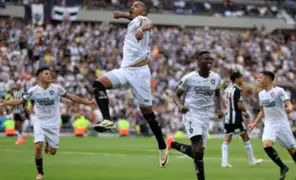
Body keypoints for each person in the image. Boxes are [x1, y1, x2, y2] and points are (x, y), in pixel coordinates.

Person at [91, 1, 168, 167]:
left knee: (148, 113)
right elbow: (133, 18)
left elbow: (148, 23)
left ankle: (162, 145)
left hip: (140, 74)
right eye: (131, 6)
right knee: (98, 84)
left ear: (143, 10)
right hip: (125, 71)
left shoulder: (142, 20)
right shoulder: (134, 20)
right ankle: (107, 120)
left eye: (136, 5)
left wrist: (142, 28)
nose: (132, 7)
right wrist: (122, 15)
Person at [0, 67, 96, 180]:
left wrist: (88, 102)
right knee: (38, 146)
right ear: (40, 76)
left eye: (50, 74)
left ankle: (48, 145)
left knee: (53, 152)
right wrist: (5, 102)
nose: (49, 75)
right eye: (46, 74)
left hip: (54, 123)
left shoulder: (57, 89)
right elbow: (20, 101)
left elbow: (72, 97)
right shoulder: (33, 90)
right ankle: (40, 172)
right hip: (39, 121)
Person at [167, 51, 223, 180]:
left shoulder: (216, 78)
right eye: (206, 59)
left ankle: (173, 144)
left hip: (205, 115)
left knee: (198, 151)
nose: (209, 61)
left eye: (211, 59)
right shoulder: (189, 78)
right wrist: (181, 106)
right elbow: (176, 94)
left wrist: (219, 109)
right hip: (191, 113)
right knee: (198, 148)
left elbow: (217, 94)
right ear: (198, 61)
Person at [249, 71, 296, 180]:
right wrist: (255, 123)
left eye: (260, 77)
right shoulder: (261, 94)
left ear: (268, 79)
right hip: (269, 124)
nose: (258, 79)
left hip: (282, 124)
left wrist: (290, 108)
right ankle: (283, 167)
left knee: (292, 150)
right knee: (267, 145)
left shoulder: (279, 91)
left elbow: (289, 104)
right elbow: (262, 111)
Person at [221, 72, 263, 167]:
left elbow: (227, 103)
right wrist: (246, 112)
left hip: (228, 118)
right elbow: (239, 105)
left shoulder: (227, 89)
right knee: (246, 138)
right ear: (236, 79)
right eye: (241, 78)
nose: (242, 80)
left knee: (227, 140)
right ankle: (252, 160)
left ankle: (224, 162)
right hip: (236, 118)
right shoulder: (237, 90)